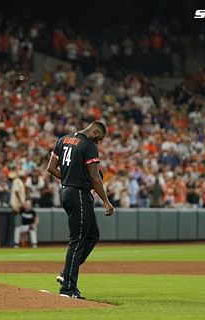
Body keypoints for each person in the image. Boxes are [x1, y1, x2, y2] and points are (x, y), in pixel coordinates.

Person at [46, 121, 114, 299]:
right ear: (96, 131)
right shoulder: (89, 145)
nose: (98, 142)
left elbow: (51, 168)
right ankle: (68, 288)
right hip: (79, 194)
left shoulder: (63, 140)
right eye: (99, 138)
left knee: (92, 235)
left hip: (67, 192)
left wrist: (69, 178)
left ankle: (66, 272)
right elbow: (94, 175)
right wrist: (106, 201)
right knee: (77, 240)